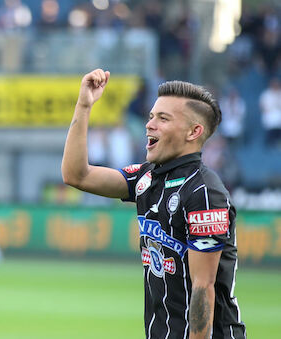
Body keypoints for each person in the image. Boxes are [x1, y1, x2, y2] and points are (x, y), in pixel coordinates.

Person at [61, 69, 246, 339]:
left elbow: (202, 287)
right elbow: (76, 175)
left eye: (163, 118)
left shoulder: (205, 193)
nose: (150, 124)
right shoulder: (146, 177)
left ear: (194, 131)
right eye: (151, 117)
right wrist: (84, 104)